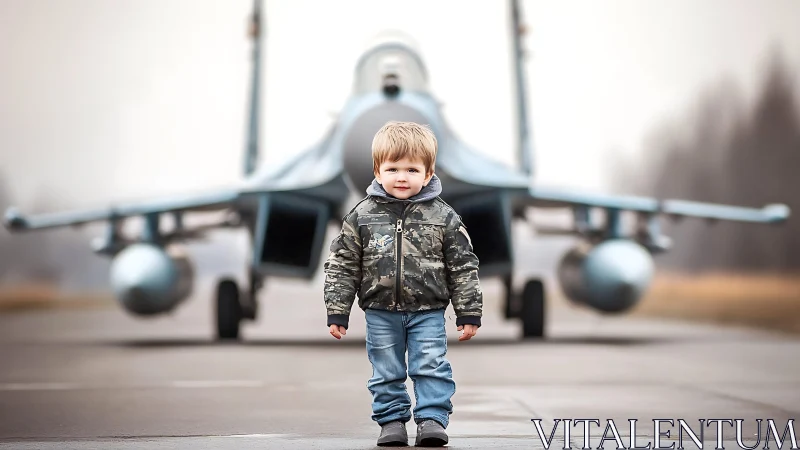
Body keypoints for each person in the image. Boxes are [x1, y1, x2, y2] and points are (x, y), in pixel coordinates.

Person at [323, 121, 483, 447]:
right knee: (386, 371)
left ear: (428, 174)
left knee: (431, 366)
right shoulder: (361, 216)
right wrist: (338, 311)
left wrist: (468, 312)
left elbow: (463, 265)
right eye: (392, 168)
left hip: (429, 312)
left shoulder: (444, 217)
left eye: (411, 169)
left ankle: (432, 421)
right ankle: (391, 422)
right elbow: (342, 264)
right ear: (377, 172)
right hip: (381, 313)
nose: (401, 176)